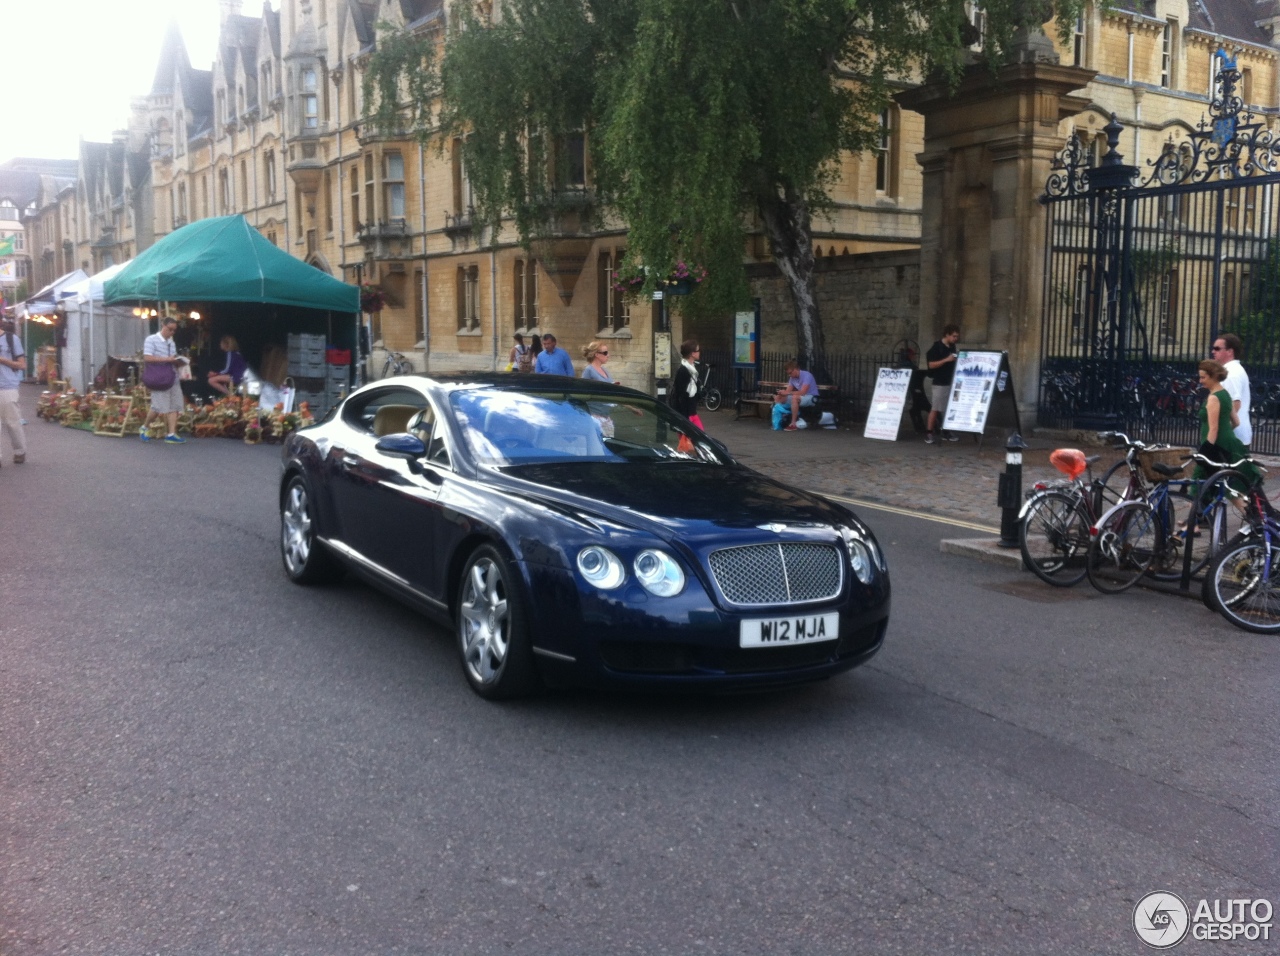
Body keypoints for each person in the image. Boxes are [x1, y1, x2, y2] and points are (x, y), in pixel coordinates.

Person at [1194, 358, 1260, 492]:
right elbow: (1236, 422)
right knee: (1229, 488)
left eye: (1203, 377)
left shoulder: (1213, 398)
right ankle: (1251, 511)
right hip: (1229, 443)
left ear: (1213, 377)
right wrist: (1226, 433)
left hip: (1215, 445)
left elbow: (1213, 429)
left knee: (1201, 488)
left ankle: (1200, 512)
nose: (1200, 381)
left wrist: (1205, 451)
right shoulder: (1225, 394)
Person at [141, 317, 188, 444]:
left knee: (175, 405)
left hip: (172, 376)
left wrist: (179, 362)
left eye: (174, 330)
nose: (172, 332)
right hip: (158, 378)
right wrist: (168, 359)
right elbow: (147, 358)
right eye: (170, 329)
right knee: (157, 407)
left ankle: (171, 434)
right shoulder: (151, 340)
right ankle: (144, 427)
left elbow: (171, 359)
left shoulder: (171, 343)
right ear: (163, 325)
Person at [1212, 332, 1251, 449]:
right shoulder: (1231, 370)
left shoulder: (1232, 373)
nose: (1213, 351)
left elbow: (1235, 404)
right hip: (1235, 436)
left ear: (1230, 351)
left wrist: (1222, 430)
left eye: (1217, 349)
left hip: (1232, 437)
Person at [925, 324, 961, 444]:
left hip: (950, 381)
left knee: (947, 409)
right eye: (954, 336)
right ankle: (929, 433)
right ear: (947, 334)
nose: (955, 339)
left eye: (956, 336)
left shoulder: (952, 347)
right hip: (939, 382)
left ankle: (946, 431)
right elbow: (931, 364)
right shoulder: (936, 347)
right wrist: (947, 360)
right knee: (935, 408)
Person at [0, 318, 28, 466]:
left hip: (7, 386)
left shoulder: (11, 339)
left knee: (12, 423)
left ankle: (19, 451)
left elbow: (22, 365)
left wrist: (2, 360)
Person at [775, 358, 817, 432]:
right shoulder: (792, 378)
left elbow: (803, 392)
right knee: (780, 397)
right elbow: (788, 391)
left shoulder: (807, 375)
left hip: (810, 396)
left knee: (795, 398)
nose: (789, 375)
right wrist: (782, 393)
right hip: (801, 397)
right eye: (788, 374)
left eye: (790, 373)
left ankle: (793, 423)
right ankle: (778, 420)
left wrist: (787, 393)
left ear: (796, 369)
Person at [670, 340, 703, 429]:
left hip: (692, 412)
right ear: (692, 354)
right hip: (685, 414)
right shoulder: (683, 371)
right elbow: (681, 394)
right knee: (690, 440)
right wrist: (685, 418)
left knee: (700, 438)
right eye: (698, 350)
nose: (699, 352)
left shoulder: (692, 369)